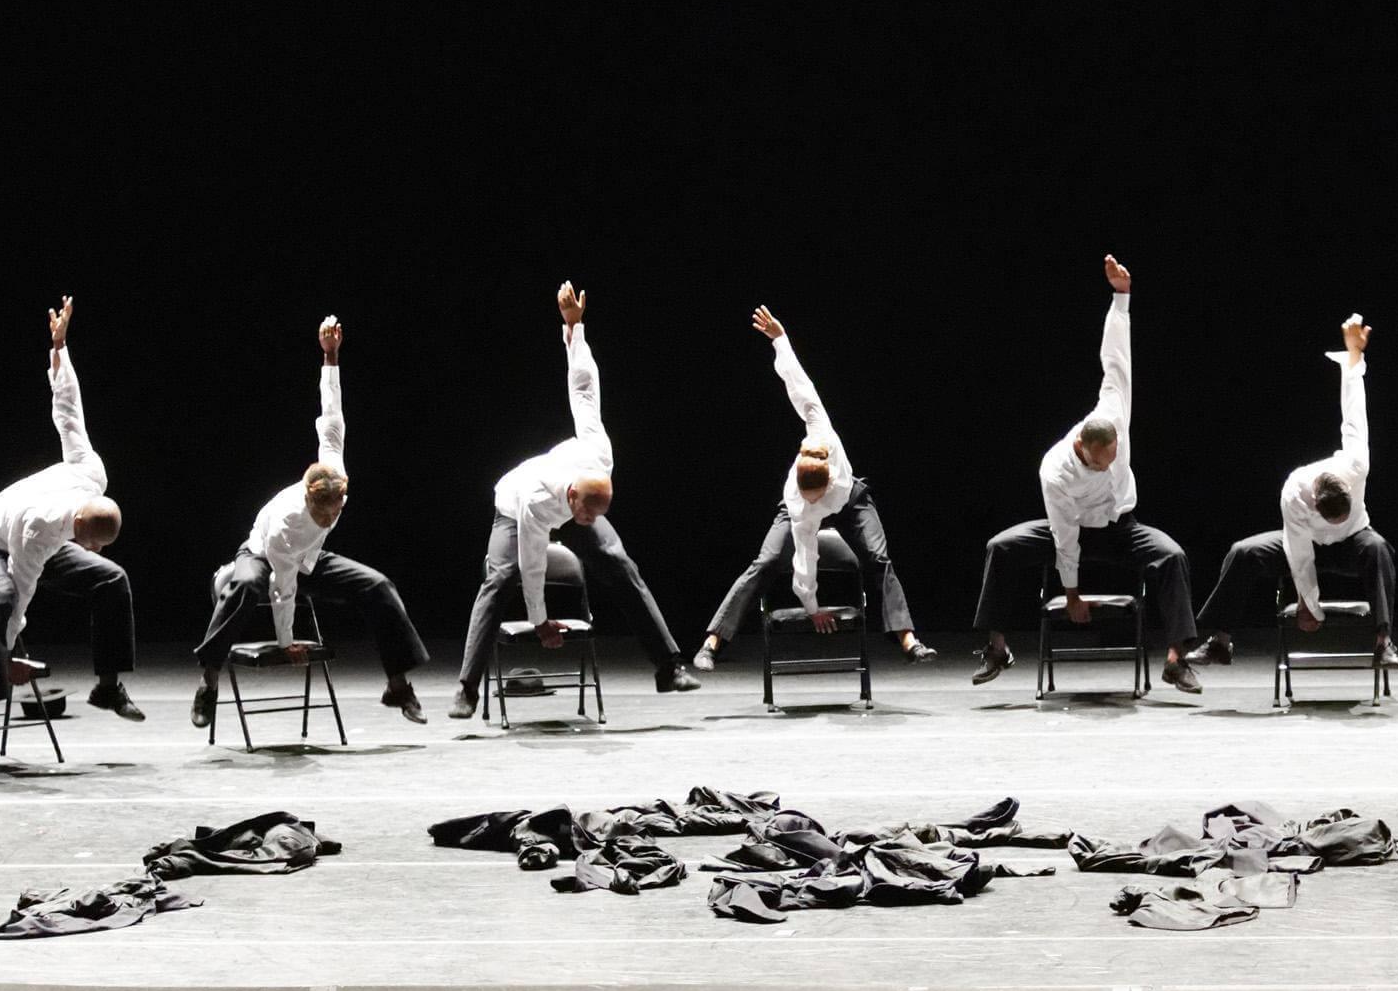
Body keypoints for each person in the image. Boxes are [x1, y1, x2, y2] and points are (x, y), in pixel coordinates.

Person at [971, 255, 1218, 695]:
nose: (1110, 465)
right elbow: (1065, 538)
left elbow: (1116, 358)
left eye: (1114, 457)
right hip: (1074, 529)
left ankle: (1176, 661)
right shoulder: (1056, 471)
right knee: (1001, 548)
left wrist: (1120, 297)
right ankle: (997, 647)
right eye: (1103, 462)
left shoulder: (1112, 413)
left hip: (1122, 528)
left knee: (1172, 556)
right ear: (1083, 448)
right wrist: (1071, 594)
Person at [452, 281, 698, 717]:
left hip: (565, 498)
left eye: (597, 512)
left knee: (620, 563)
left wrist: (574, 329)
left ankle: (669, 665)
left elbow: (584, 389)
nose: (590, 520)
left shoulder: (597, 455)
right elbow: (533, 562)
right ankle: (468, 688)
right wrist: (540, 620)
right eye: (587, 513)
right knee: (499, 577)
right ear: (571, 498)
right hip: (511, 510)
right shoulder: (536, 497)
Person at [191, 317, 429, 727]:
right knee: (245, 585)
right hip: (264, 555)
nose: (337, 513)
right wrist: (286, 644)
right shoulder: (289, 521)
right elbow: (283, 587)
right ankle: (208, 683)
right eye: (330, 511)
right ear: (311, 501)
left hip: (310, 559)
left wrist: (331, 356)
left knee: (378, 586)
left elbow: (331, 411)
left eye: (340, 506)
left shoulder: (332, 468)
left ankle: (397, 684)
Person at [690, 304, 936, 670]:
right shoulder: (798, 501)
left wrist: (781, 339)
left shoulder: (826, 439)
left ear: (825, 482)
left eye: (814, 496)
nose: (810, 501)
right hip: (801, 512)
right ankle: (713, 642)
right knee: (767, 560)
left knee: (878, 557)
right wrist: (813, 607)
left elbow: (803, 386)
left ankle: (908, 640)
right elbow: (805, 554)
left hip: (851, 499)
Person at [0, 297, 140, 749]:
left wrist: (60, 351)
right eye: (90, 543)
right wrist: (10, 654)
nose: (91, 551)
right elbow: (21, 590)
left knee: (112, 580)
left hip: (38, 543)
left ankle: (107, 685)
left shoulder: (90, 473)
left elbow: (69, 412)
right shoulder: (39, 528)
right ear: (78, 523)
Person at [1192, 314, 1398, 681]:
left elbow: (1354, 415)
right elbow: (1300, 554)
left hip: (1353, 542)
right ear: (1317, 501)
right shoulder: (1295, 492)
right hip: (1306, 545)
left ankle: (1384, 640)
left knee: (1379, 548)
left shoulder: (1356, 464)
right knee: (1243, 552)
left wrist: (1353, 359)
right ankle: (1219, 639)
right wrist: (1310, 605)